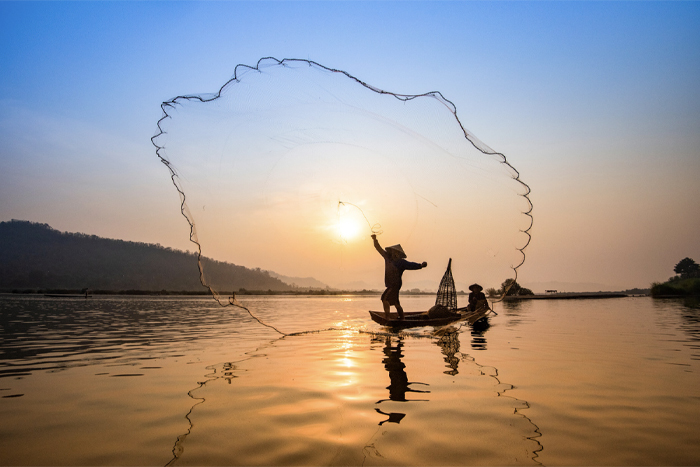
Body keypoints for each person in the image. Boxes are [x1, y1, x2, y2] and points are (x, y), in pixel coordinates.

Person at [372, 234, 427, 320]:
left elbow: (411, 265)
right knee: (396, 303)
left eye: (396, 252)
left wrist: (420, 265)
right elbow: (379, 248)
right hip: (391, 284)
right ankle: (402, 318)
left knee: (384, 298)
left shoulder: (401, 262)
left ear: (398, 254)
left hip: (395, 285)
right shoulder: (387, 258)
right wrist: (375, 239)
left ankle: (387, 317)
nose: (394, 253)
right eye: (393, 252)